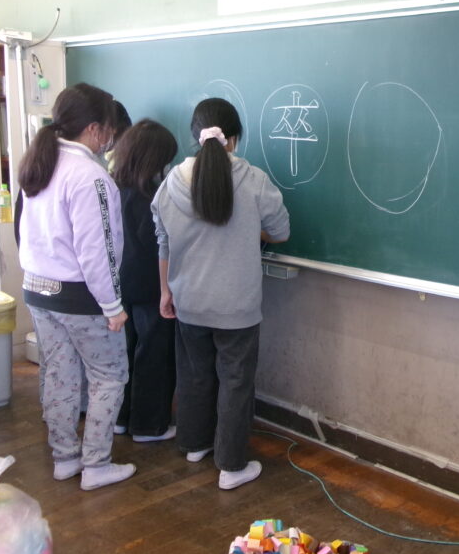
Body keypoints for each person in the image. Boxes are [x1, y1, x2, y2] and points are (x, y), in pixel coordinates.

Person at [152, 97, 290, 490]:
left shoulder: (170, 183)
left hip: (188, 301)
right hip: (237, 305)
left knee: (194, 376)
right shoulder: (254, 180)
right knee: (235, 382)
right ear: (234, 138)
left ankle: (194, 444)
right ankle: (231, 466)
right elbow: (281, 231)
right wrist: (249, 229)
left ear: (195, 135)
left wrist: (165, 291)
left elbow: (163, 240)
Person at [18, 82, 135, 491]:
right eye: (109, 130)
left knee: (60, 374)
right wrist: (113, 306)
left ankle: (65, 458)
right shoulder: (90, 176)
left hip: (37, 288)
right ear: (95, 129)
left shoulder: (40, 163)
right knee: (109, 376)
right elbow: (98, 250)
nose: (111, 138)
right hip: (79, 296)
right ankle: (97, 464)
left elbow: (26, 234)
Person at [111, 119, 179, 441]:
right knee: (153, 355)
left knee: (124, 354)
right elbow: (159, 246)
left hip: (118, 286)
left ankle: (121, 418)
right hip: (151, 287)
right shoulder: (150, 196)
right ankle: (148, 426)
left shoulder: (114, 188)